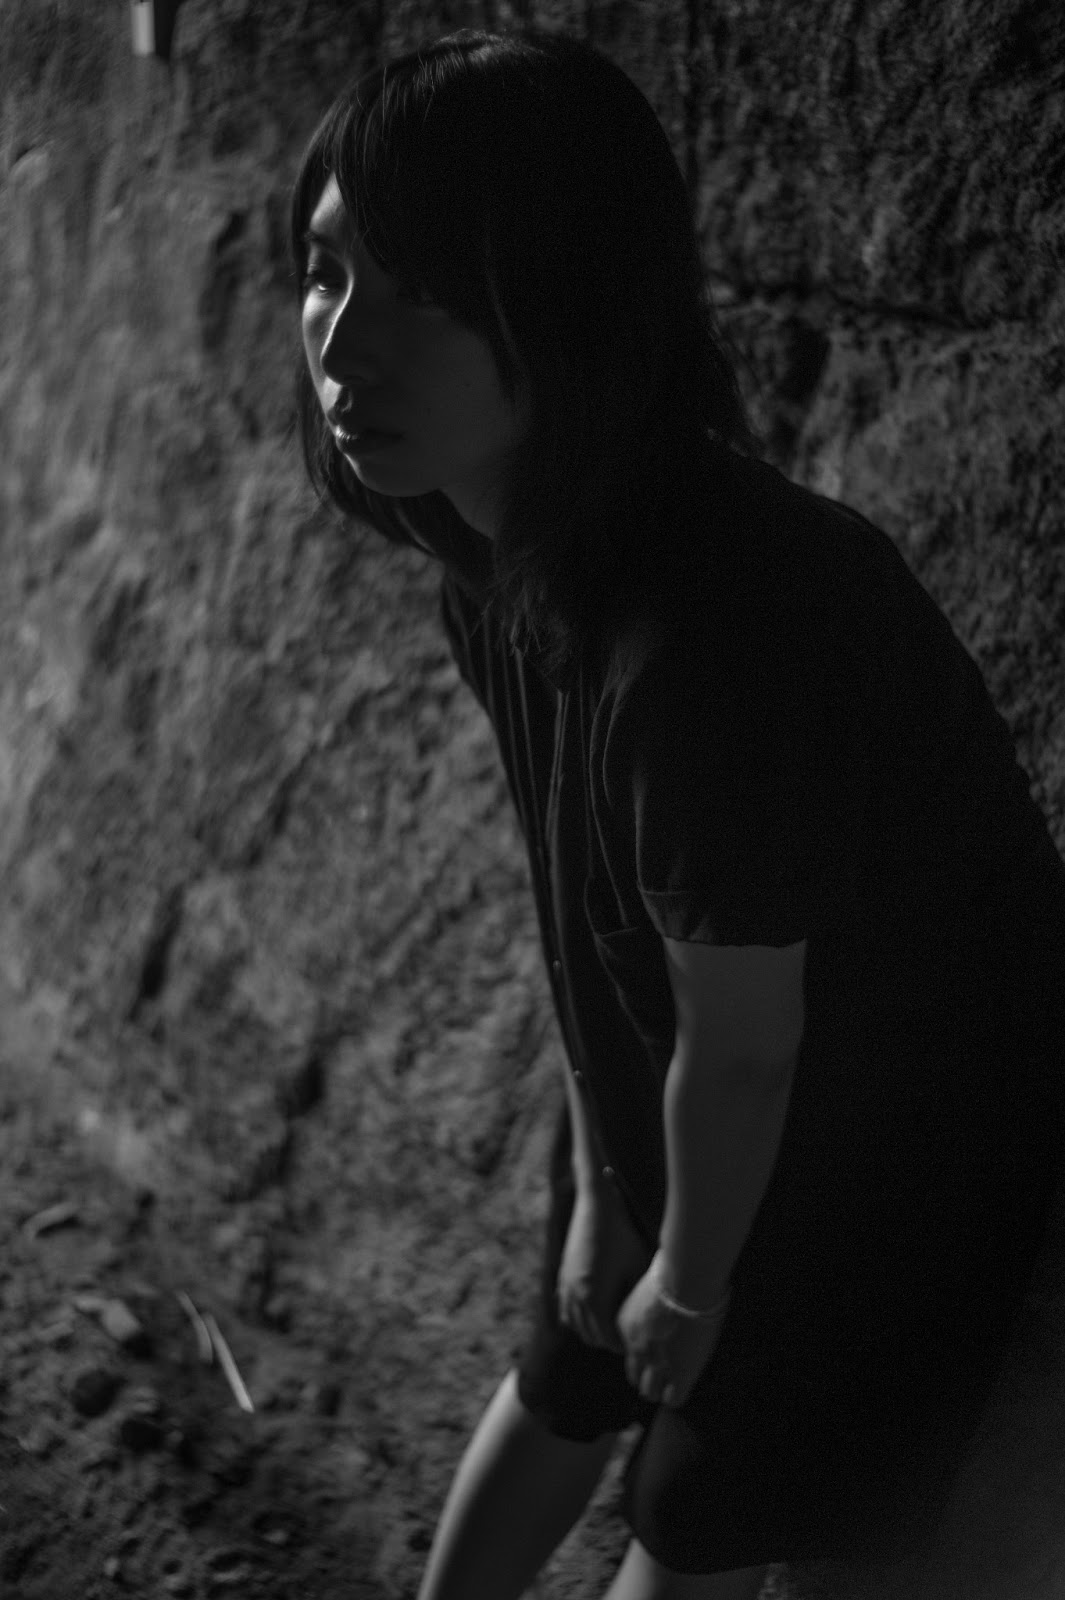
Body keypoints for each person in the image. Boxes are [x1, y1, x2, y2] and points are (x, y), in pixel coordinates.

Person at [290, 24, 1065, 1600]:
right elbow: (574, 918)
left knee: (690, 1501)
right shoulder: (497, 560)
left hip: (889, 1144)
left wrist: (690, 1286)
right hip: (704, 1085)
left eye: (421, 290)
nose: (342, 344)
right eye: (323, 272)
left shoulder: (711, 623)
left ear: (569, 302)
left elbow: (751, 1038)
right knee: (572, 1353)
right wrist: (598, 1198)